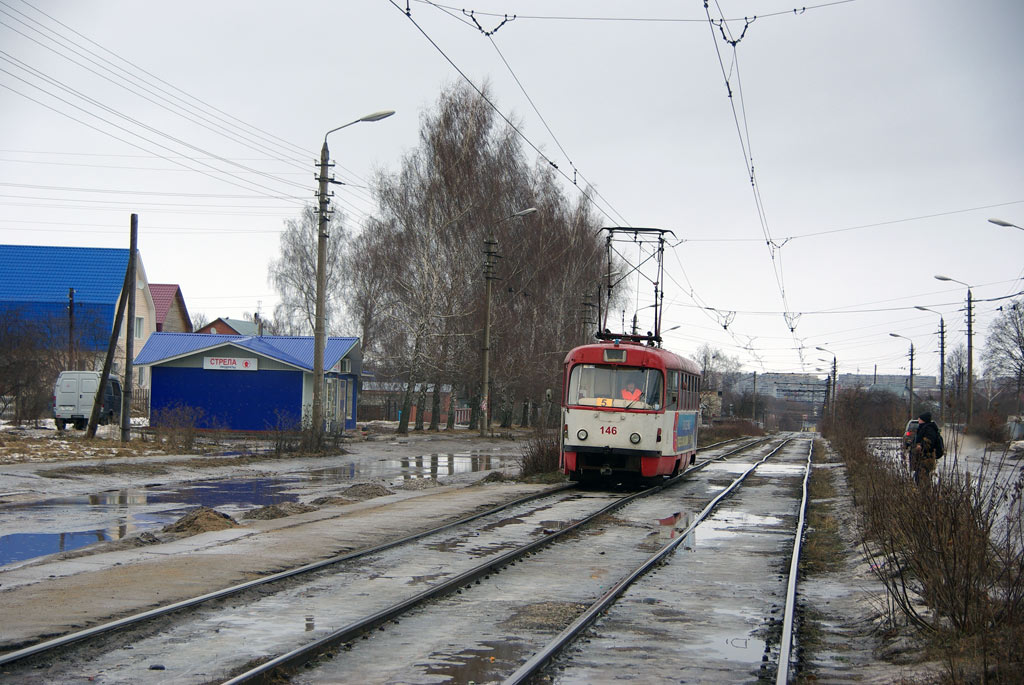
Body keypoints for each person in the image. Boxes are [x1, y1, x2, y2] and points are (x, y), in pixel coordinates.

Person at [911, 411, 942, 485]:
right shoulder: (923, 428)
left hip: (926, 458)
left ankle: (924, 493)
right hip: (921, 457)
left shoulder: (929, 429)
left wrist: (920, 447)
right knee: (919, 476)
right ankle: (923, 492)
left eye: (919, 419)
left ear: (923, 420)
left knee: (922, 477)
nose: (918, 420)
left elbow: (929, 443)